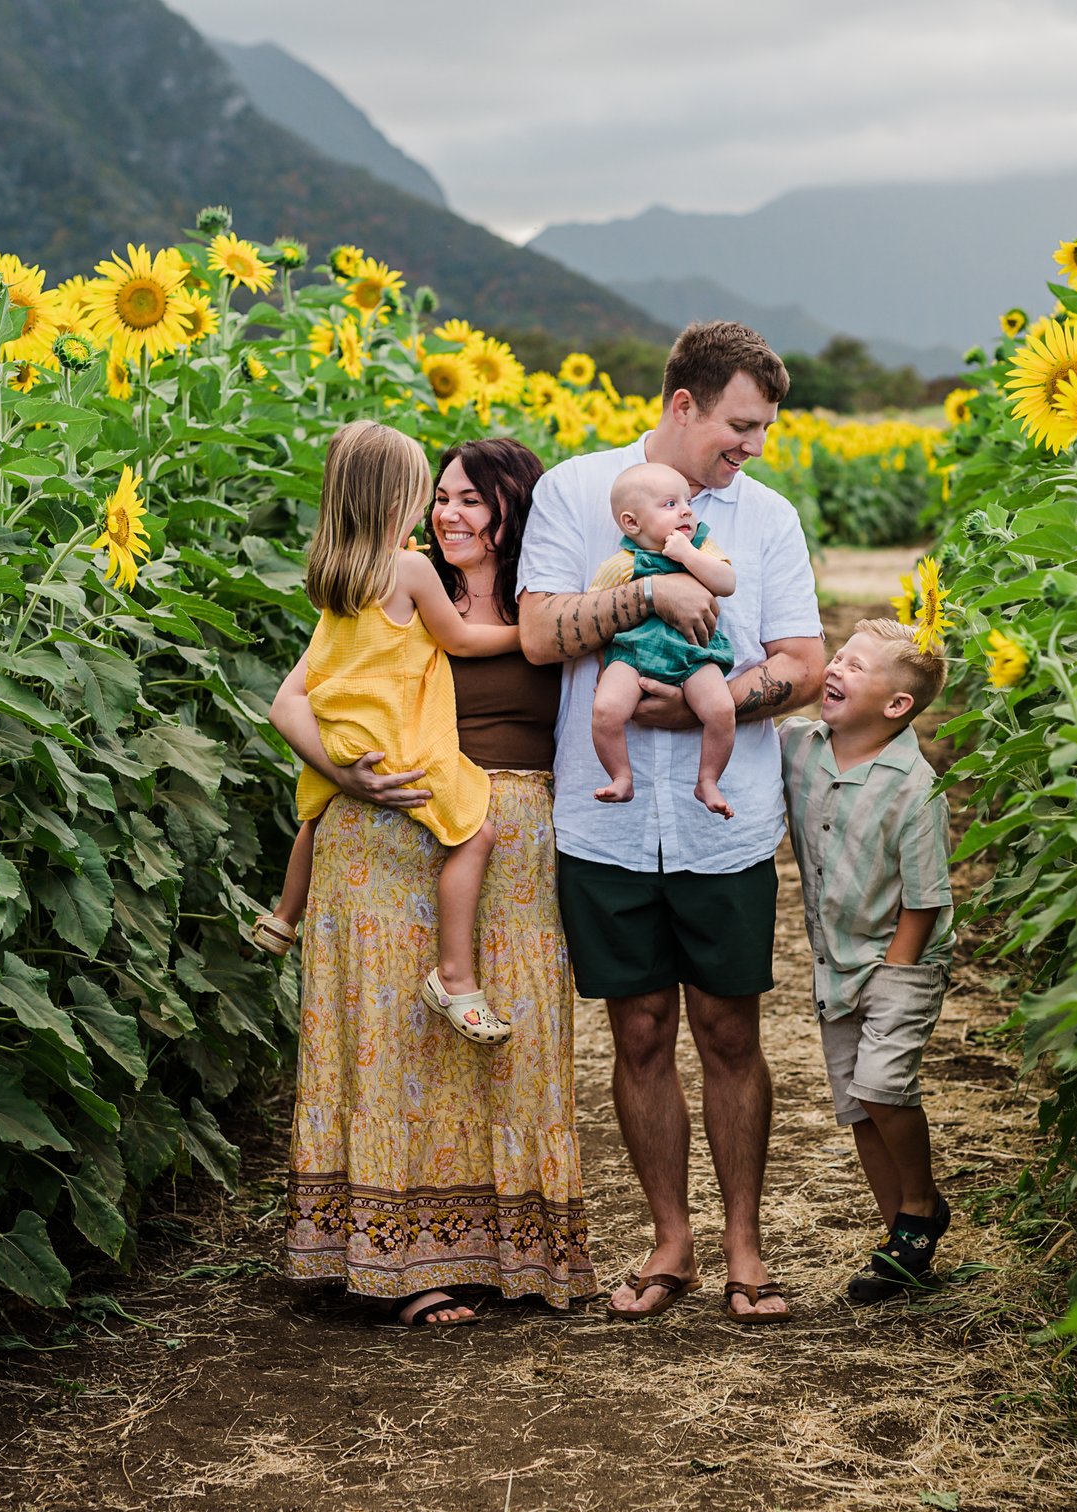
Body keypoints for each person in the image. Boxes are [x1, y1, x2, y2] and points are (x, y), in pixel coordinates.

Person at [517, 321, 828, 1325]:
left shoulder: (765, 519)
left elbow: (803, 662)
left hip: (721, 817)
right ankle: (670, 1241)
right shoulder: (575, 492)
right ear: (682, 403)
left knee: (730, 1029)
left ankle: (745, 1244)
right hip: (602, 819)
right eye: (740, 425)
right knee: (639, 1029)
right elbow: (534, 630)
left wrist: (721, 695)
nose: (753, 446)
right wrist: (648, 591)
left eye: (764, 428)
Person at [274, 437, 592, 1326]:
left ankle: (509, 1254)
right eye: (440, 496)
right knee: (403, 1048)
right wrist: (350, 773)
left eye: (470, 500)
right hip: (394, 834)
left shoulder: (547, 598)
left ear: (509, 510)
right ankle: (407, 1265)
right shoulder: (402, 585)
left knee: (512, 1044)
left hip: (512, 842)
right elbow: (297, 696)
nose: (448, 514)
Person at [256, 420, 518, 1045]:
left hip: (341, 740)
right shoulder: (411, 571)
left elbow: (300, 688)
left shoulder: (334, 575)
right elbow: (457, 639)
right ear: (397, 500)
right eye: (428, 494)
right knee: (474, 835)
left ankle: (282, 919)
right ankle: (454, 976)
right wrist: (527, 637)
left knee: (313, 824)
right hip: (399, 745)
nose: (435, 511)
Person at [780, 619, 957, 1303]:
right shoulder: (798, 749)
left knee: (883, 1086)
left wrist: (891, 975)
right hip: (835, 961)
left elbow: (924, 898)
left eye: (857, 666)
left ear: (896, 707)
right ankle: (903, 1243)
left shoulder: (914, 786)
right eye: (839, 657)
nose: (836, 669)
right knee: (857, 1104)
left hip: (898, 959)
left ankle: (920, 1204)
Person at [590, 462, 739, 816]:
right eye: (670, 504)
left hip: (694, 652)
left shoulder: (702, 547)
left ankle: (708, 780)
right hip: (633, 655)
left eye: (687, 501)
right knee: (606, 710)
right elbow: (597, 615)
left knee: (721, 710)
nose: (686, 509)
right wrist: (603, 667)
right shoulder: (621, 564)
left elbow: (726, 582)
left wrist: (688, 554)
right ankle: (621, 776)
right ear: (632, 523)